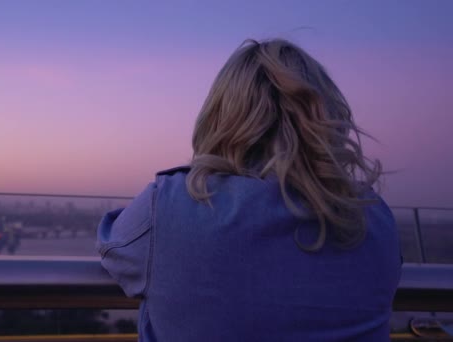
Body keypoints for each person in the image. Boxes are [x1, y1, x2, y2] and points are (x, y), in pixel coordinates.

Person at [96, 38, 401, 341]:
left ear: (220, 116)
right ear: (327, 115)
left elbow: (113, 246)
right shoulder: (373, 218)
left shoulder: (168, 206)